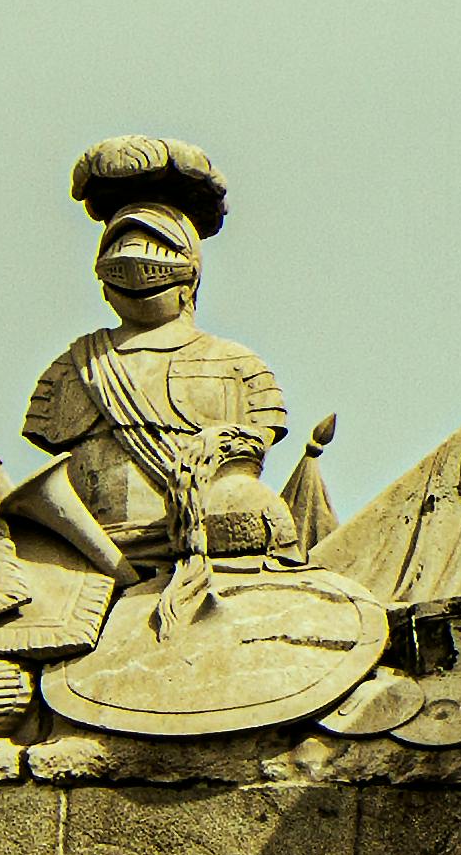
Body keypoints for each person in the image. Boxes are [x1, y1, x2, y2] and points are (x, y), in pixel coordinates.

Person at [21, 136, 298, 578]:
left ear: (190, 271)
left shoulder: (238, 366)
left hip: (212, 552)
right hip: (85, 560)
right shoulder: (73, 366)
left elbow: (247, 463)